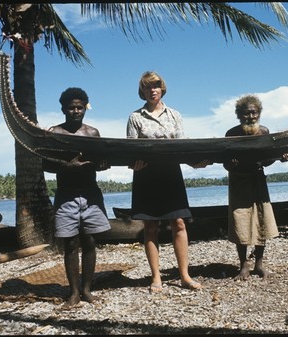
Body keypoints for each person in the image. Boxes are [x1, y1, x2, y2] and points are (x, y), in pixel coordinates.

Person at [126, 71, 209, 293]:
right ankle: (156, 278)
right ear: (142, 91)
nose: (152, 89)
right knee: (150, 227)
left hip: (171, 174)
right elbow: (129, 151)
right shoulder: (135, 117)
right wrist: (132, 164)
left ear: (162, 88)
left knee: (179, 223)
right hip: (145, 177)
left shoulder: (174, 115)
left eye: (156, 85)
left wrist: (195, 163)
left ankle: (184, 276)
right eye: (147, 86)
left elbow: (183, 146)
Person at [42, 87, 111, 307]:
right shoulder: (55, 133)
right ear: (63, 109)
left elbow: (101, 162)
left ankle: (87, 289)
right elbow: (46, 164)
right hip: (66, 195)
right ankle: (73, 292)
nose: (76, 111)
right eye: (71, 108)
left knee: (90, 241)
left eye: (80, 107)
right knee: (70, 244)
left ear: (85, 108)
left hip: (91, 194)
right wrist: (67, 166)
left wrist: (103, 164)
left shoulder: (92, 133)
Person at [223, 95, 288, 281]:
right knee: (240, 223)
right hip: (238, 182)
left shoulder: (264, 132)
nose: (250, 116)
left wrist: (281, 157)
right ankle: (243, 266)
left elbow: (266, 159)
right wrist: (233, 164)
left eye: (254, 113)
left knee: (262, 221)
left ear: (259, 113)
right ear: (239, 115)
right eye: (246, 113)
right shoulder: (231, 134)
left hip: (258, 181)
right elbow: (225, 164)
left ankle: (259, 264)